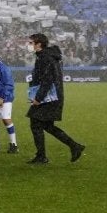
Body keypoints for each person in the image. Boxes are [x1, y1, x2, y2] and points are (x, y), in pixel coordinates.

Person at [26, 33, 86, 165]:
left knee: (36, 124)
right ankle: (74, 146)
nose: (28, 45)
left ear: (39, 44)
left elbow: (47, 80)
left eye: (31, 43)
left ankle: (42, 156)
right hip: (53, 96)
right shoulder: (47, 56)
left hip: (49, 97)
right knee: (46, 125)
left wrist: (38, 98)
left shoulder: (45, 58)